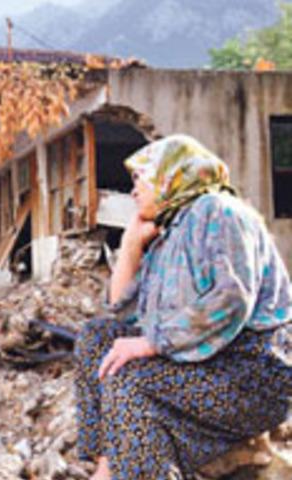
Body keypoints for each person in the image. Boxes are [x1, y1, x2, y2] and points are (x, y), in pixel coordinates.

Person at [74, 134, 292, 479]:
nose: (133, 190)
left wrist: (152, 343)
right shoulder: (170, 232)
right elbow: (121, 310)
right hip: (205, 364)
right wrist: (131, 243)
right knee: (96, 338)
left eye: (140, 177)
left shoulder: (219, 211)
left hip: (251, 375)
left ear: (172, 174)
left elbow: (231, 300)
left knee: (130, 382)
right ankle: (107, 467)